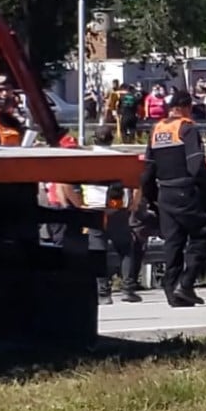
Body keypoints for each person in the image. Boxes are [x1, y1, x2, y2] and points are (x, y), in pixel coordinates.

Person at [140, 90, 206, 307]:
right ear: (185, 107)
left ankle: (172, 292)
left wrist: (151, 198)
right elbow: (196, 166)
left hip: (164, 193)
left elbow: (148, 169)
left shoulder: (156, 130)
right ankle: (185, 284)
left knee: (173, 243)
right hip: (186, 190)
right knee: (204, 234)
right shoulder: (187, 128)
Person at [84, 125, 144, 304]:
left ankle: (103, 293)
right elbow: (137, 183)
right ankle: (128, 289)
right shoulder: (121, 158)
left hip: (93, 207)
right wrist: (134, 203)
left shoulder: (85, 159)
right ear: (112, 139)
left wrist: (77, 203)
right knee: (125, 249)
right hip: (117, 207)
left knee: (97, 250)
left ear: (94, 139)